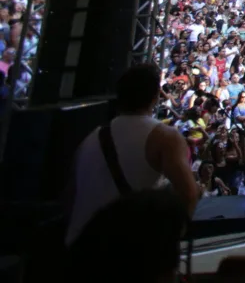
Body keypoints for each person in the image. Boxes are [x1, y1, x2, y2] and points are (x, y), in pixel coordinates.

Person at [66, 64, 200, 245]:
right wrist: (169, 243)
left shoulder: (90, 138)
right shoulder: (164, 136)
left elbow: (71, 195)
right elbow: (189, 194)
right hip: (124, 251)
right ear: (155, 97)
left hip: (78, 248)